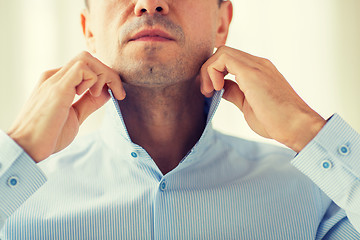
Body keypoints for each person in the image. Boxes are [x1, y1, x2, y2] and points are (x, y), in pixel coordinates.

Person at [1, 0, 360, 239]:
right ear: (89, 30)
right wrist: (18, 149)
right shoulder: (16, 201)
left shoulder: (317, 194)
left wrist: (309, 131)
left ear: (223, 21)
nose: (149, 2)